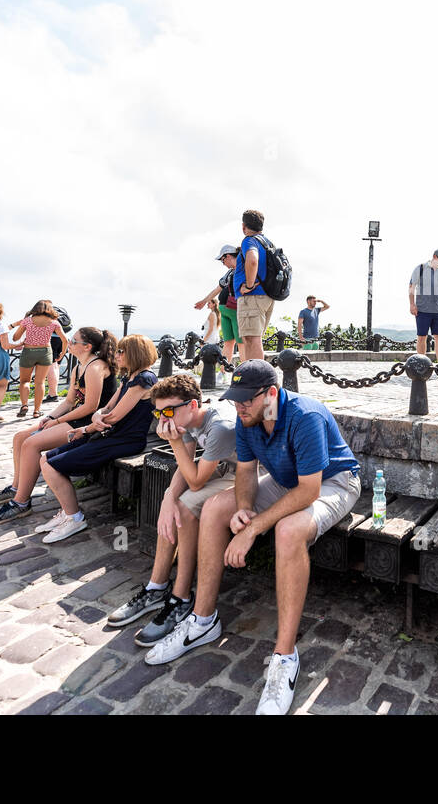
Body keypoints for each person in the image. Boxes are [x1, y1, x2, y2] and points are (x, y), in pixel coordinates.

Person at [143, 360, 361, 717]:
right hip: (283, 478)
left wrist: (252, 529)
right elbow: (245, 472)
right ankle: (202, 620)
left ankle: (284, 656)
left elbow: (308, 491)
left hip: (332, 482)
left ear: (270, 394)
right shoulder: (247, 418)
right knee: (215, 508)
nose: (238, 406)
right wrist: (244, 508)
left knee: (288, 530)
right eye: (235, 399)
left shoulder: (304, 416)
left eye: (246, 400)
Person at [106, 374, 238, 646]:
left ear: (192, 405)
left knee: (186, 506)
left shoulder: (219, 426)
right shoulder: (188, 420)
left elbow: (196, 480)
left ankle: (181, 597)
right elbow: (185, 465)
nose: (162, 418)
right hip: (224, 467)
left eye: (168, 411)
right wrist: (167, 498)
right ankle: (157, 587)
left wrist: (175, 444)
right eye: (158, 411)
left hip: (249, 474)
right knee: (175, 504)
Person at [29, 334, 159, 543]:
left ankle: (75, 518)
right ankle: (66, 512)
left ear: (134, 353)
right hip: (108, 434)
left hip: (125, 440)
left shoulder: (144, 380)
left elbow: (115, 416)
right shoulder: (130, 376)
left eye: (121, 351)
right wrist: (97, 416)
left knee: (52, 465)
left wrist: (88, 428)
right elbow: (107, 408)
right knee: (45, 459)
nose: (116, 355)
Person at [0, 326, 118, 524]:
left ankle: (21, 503)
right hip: (74, 417)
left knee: (31, 444)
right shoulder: (79, 367)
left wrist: (57, 421)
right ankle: (16, 487)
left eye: (73, 341)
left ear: (87, 346)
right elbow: (70, 401)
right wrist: (50, 416)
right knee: (20, 437)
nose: (68, 344)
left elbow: (91, 406)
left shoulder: (96, 367)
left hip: (90, 423)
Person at [8, 301, 68, 419]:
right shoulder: (54, 323)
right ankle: (36, 411)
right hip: (45, 352)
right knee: (40, 382)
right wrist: (62, 352)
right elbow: (65, 340)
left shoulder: (27, 321)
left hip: (28, 352)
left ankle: (24, 405)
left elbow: (15, 337)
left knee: (25, 381)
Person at [235, 209, 274, 362]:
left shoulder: (249, 240)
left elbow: (252, 260)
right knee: (254, 339)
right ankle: (255, 378)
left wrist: (249, 285)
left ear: (244, 226)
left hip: (252, 296)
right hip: (266, 296)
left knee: (251, 340)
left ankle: (258, 380)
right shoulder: (267, 242)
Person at [196, 244, 241, 366]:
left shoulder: (242, 270)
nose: (223, 263)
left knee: (241, 342)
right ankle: (223, 371)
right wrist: (205, 301)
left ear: (228, 256)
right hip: (225, 309)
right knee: (228, 342)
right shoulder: (229, 273)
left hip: (236, 310)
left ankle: (245, 371)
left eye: (222, 260)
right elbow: (217, 289)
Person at [409, 249, 438, 363]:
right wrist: (412, 304)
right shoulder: (420, 268)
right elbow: (411, 287)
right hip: (422, 310)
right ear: (434, 257)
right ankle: (420, 364)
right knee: (421, 337)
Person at [42, 305, 71, 403]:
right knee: (56, 366)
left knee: (52, 366)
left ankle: (53, 394)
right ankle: (52, 392)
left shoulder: (45, 311)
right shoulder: (61, 310)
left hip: (52, 339)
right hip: (63, 339)